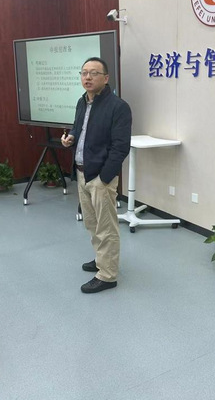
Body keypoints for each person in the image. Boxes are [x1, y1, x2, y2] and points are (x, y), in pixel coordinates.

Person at [61, 57, 132, 293]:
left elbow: (120, 147)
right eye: (84, 73)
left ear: (106, 78)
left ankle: (108, 275)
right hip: (82, 172)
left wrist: (104, 178)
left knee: (106, 227)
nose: (88, 77)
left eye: (93, 73)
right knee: (92, 223)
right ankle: (102, 259)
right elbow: (78, 128)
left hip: (100, 177)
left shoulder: (118, 107)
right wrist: (70, 138)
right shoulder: (82, 102)